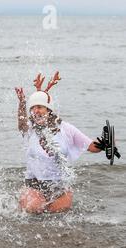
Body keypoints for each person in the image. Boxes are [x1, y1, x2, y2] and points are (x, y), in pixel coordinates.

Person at [15, 72, 107, 214]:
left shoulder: (66, 128)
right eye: (33, 108)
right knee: (33, 209)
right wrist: (22, 103)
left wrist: (106, 144)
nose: (36, 111)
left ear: (49, 110)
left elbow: (91, 146)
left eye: (40, 107)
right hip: (34, 183)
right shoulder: (30, 129)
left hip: (59, 184)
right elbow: (21, 124)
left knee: (59, 214)